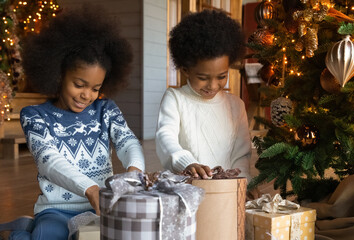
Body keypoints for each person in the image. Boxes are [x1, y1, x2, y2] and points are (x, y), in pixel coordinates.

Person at [0, 5, 145, 240]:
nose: (86, 95)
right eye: (79, 85)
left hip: (99, 209)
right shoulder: (34, 115)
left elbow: (128, 142)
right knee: (47, 235)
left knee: (94, 236)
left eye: (95, 88)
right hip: (56, 210)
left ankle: (23, 233)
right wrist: (89, 188)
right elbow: (49, 161)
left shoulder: (105, 109)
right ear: (58, 75)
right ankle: (27, 231)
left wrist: (135, 173)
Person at [156, 10, 252, 180]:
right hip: (186, 188)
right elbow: (165, 138)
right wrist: (187, 163)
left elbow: (241, 155)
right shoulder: (175, 99)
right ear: (185, 70)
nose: (213, 85)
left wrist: (244, 182)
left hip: (225, 190)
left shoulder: (236, 105)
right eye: (203, 78)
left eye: (222, 76)